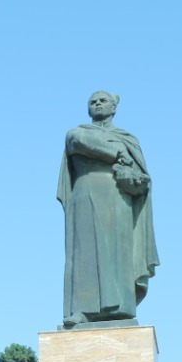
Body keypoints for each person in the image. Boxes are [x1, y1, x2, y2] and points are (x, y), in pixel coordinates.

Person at [58, 89, 158, 326]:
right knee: (84, 254)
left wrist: (134, 180)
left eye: (103, 101)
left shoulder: (128, 138)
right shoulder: (78, 132)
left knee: (117, 253)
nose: (98, 104)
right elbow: (77, 143)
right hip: (84, 194)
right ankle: (82, 310)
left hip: (117, 198)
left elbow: (142, 180)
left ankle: (121, 307)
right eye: (93, 102)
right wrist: (116, 152)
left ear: (114, 108)